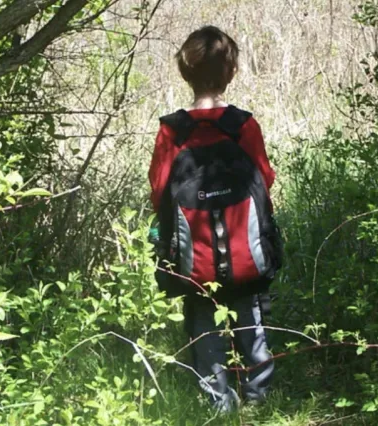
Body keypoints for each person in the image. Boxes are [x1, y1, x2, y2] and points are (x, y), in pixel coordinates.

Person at [148, 26, 279, 412]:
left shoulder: (172, 130)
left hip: (194, 256)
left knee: (203, 322)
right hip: (244, 251)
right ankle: (259, 401)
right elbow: (264, 180)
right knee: (250, 319)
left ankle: (218, 403)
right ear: (231, 72)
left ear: (185, 74)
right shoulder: (242, 125)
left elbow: (159, 190)